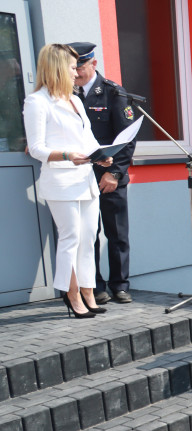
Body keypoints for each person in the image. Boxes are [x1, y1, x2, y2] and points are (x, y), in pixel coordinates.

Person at [23, 43, 113, 319]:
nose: (77, 73)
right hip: (61, 181)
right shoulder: (36, 101)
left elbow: (88, 138)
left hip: (85, 178)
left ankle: (88, 291)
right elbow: (36, 147)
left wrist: (103, 156)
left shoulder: (74, 100)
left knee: (88, 238)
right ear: (59, 68)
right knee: (71, 237)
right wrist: (65, 154)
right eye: (73, 68)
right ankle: (71, 295)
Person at [68, 42, 136, 305]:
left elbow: (127, 138)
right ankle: (95, 285)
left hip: (110, 176)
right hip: (80, 176)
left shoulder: (113, 93)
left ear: (93, 64)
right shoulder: (67, 93)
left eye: (81, 67)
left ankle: (120, 285)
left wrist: (115, 174)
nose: (76, 73)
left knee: (116, 233)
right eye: (73, 68)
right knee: (88, 232)